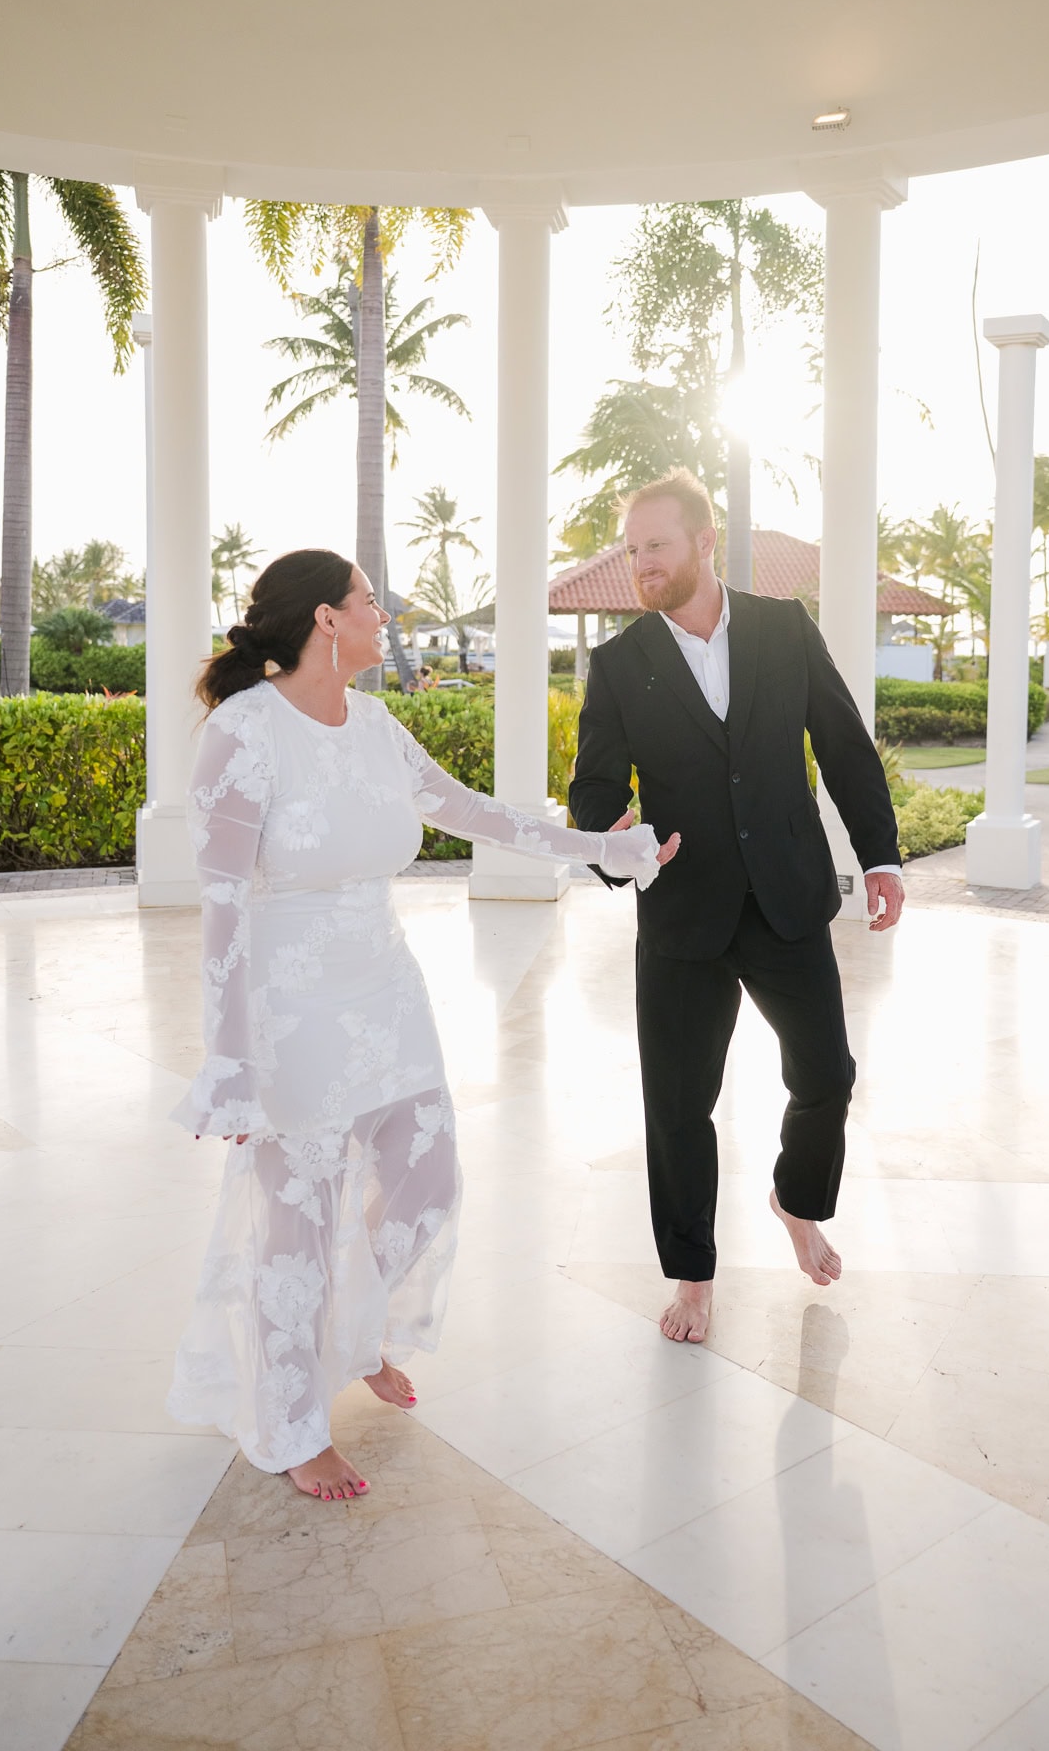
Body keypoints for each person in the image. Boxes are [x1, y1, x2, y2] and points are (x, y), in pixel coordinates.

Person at [168, 548, 676, 1499]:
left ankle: (358, 1335)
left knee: (427, 1176)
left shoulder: (374, 723)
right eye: (368, 601)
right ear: (326, 619)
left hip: (385, 988)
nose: (381, 616)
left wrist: (603, 847)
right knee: (296, 1220)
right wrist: (228, 1059)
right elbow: (224, 904)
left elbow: (471, 811)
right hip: (291, 1006)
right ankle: (290, 1424)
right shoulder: (242, 734)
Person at [570, 471, 903, 1345]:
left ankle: (797, 1202)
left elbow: (842, 746)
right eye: (632, 548)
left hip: (786, 896)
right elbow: (594, 786)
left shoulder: (782, 629)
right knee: (679, 1107)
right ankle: (691, 1275)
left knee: (826, 1075)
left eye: (656, 546)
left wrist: (880, 855)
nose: (640, 564)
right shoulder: (615, 665)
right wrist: (616, 839)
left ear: (703, 541)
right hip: (680, 910)